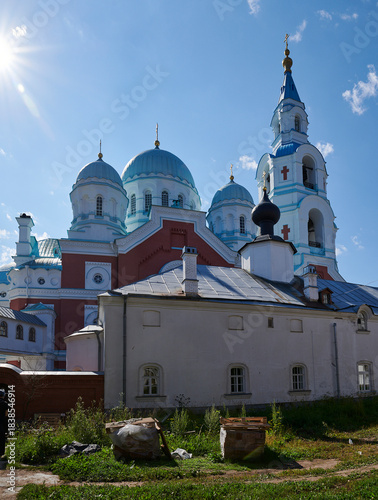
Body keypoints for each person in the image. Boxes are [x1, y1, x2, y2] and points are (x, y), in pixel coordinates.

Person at [0, 389, 8, 459]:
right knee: (2, 439)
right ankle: (1, 454)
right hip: (1, 423)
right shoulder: (5, 404)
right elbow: (6, 414)